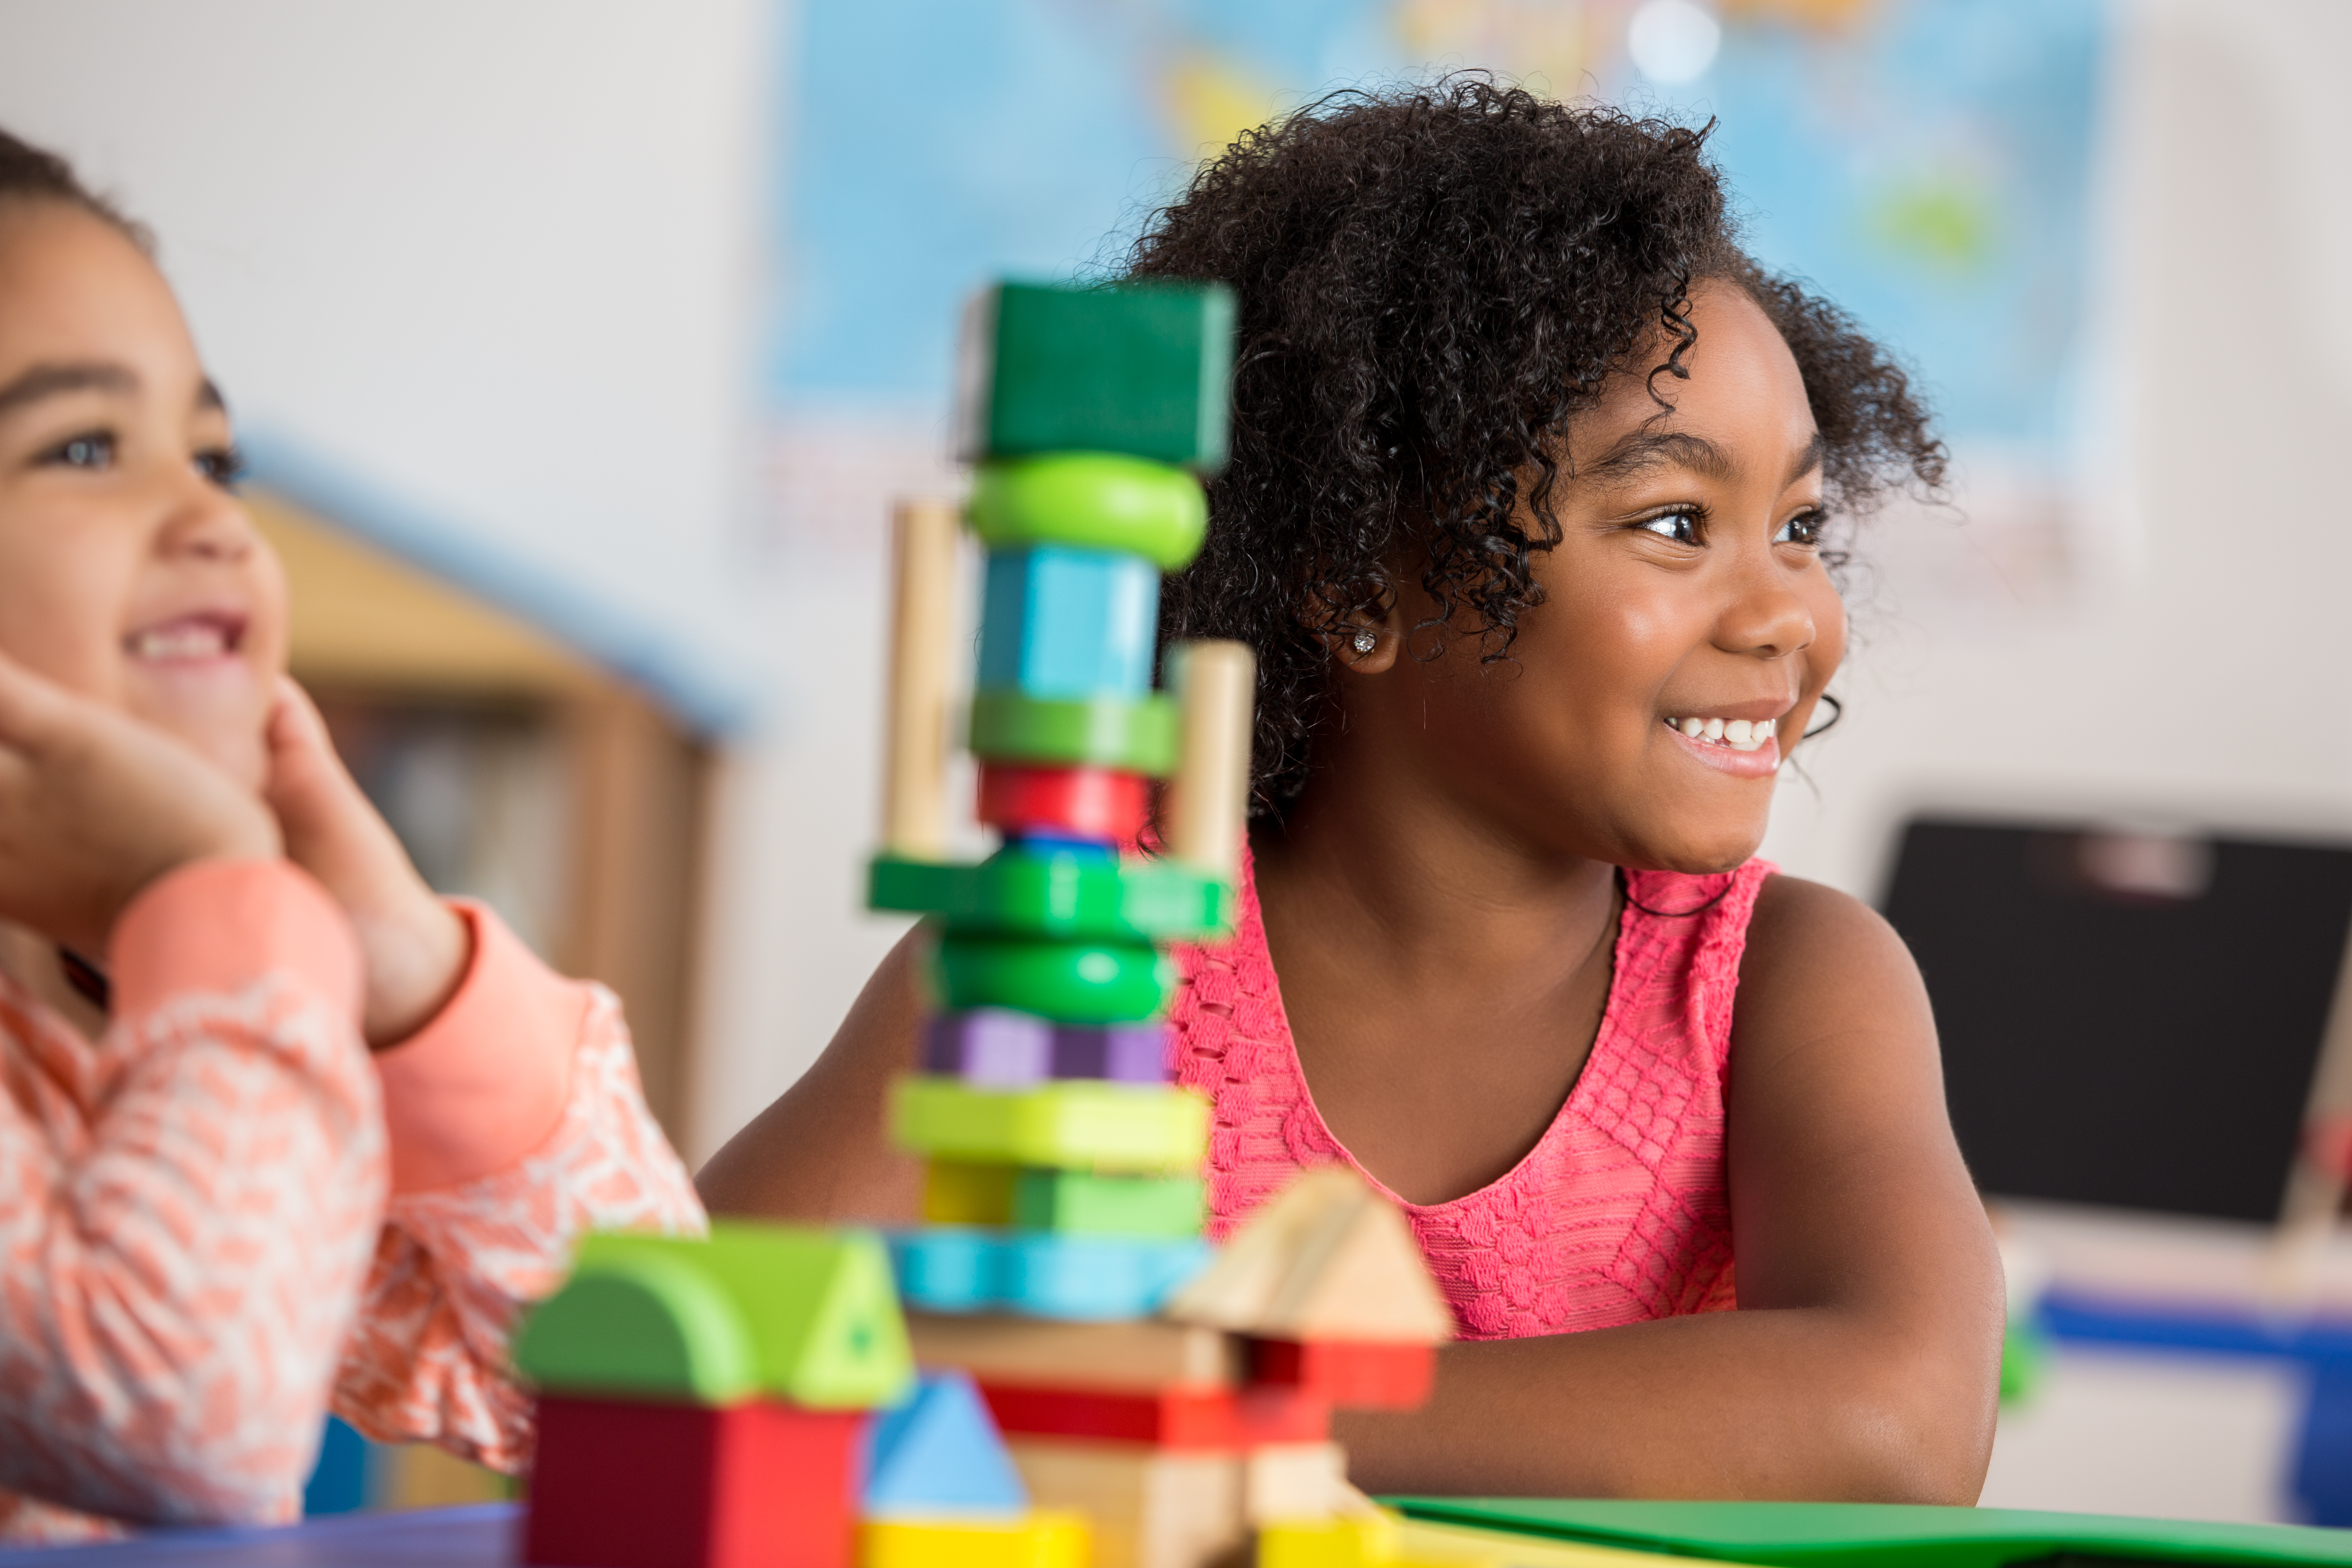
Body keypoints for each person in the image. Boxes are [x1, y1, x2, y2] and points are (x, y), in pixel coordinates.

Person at [699, 79, 2004, 1503]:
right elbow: (712, 1342)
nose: (1785, 615)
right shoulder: (1085, 946)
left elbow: (1898, 1422)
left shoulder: (1784, 986)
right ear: (1352, 580)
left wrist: (1184, 1409)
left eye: (1802, 526)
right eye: (1677, 523)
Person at [0, 129, 703, 1541]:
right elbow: (182, 1425)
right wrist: (207, 890)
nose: (210, 516)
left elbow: (639, 1378)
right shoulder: (202, 999)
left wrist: (411, 983)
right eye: (84, 445)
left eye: (215, 454)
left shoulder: (124, 1042)